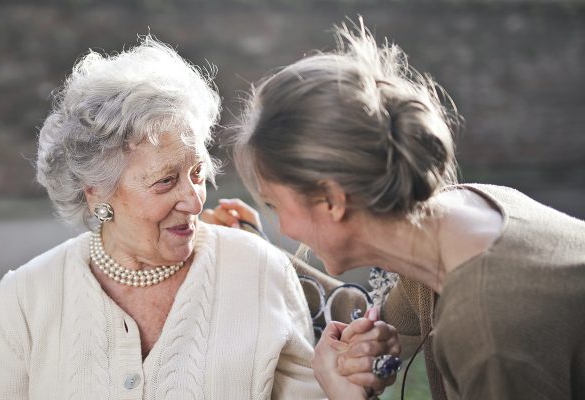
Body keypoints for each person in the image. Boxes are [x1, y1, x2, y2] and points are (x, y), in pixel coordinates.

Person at [0, 36, 398, 399]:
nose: (194, 200)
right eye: (165, 182)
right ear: (97, 193)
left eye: (197, 173)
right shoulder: (26, 296)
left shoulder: (257, 269)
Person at [223, 19, 585, 400]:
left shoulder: (487, 330)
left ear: (331, 200)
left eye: (275, 205)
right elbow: (377, 331)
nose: (285, 227)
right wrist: (367, 354)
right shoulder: (458, 218)